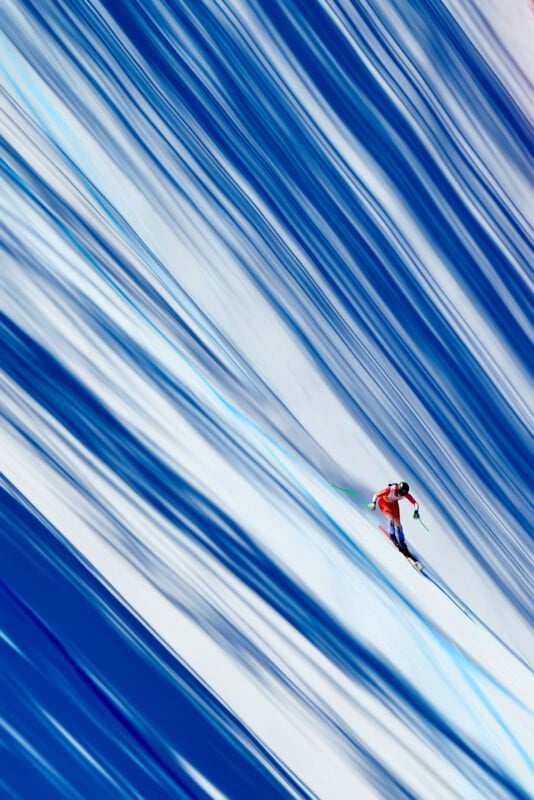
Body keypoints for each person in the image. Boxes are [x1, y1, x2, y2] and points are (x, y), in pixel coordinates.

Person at [368, 482, 420, 556]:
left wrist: (416, 511)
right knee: (391, 521)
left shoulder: (405, 494)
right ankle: (392, 536)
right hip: (384, 503)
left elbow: (415, 503)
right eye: (399, 492)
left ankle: (402, 541)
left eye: (402, 494)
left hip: (394, 505)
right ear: (397, 489)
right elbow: (376, 494)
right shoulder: (391, 490)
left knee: (398, 525)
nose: (400, 495)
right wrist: (373, 502)